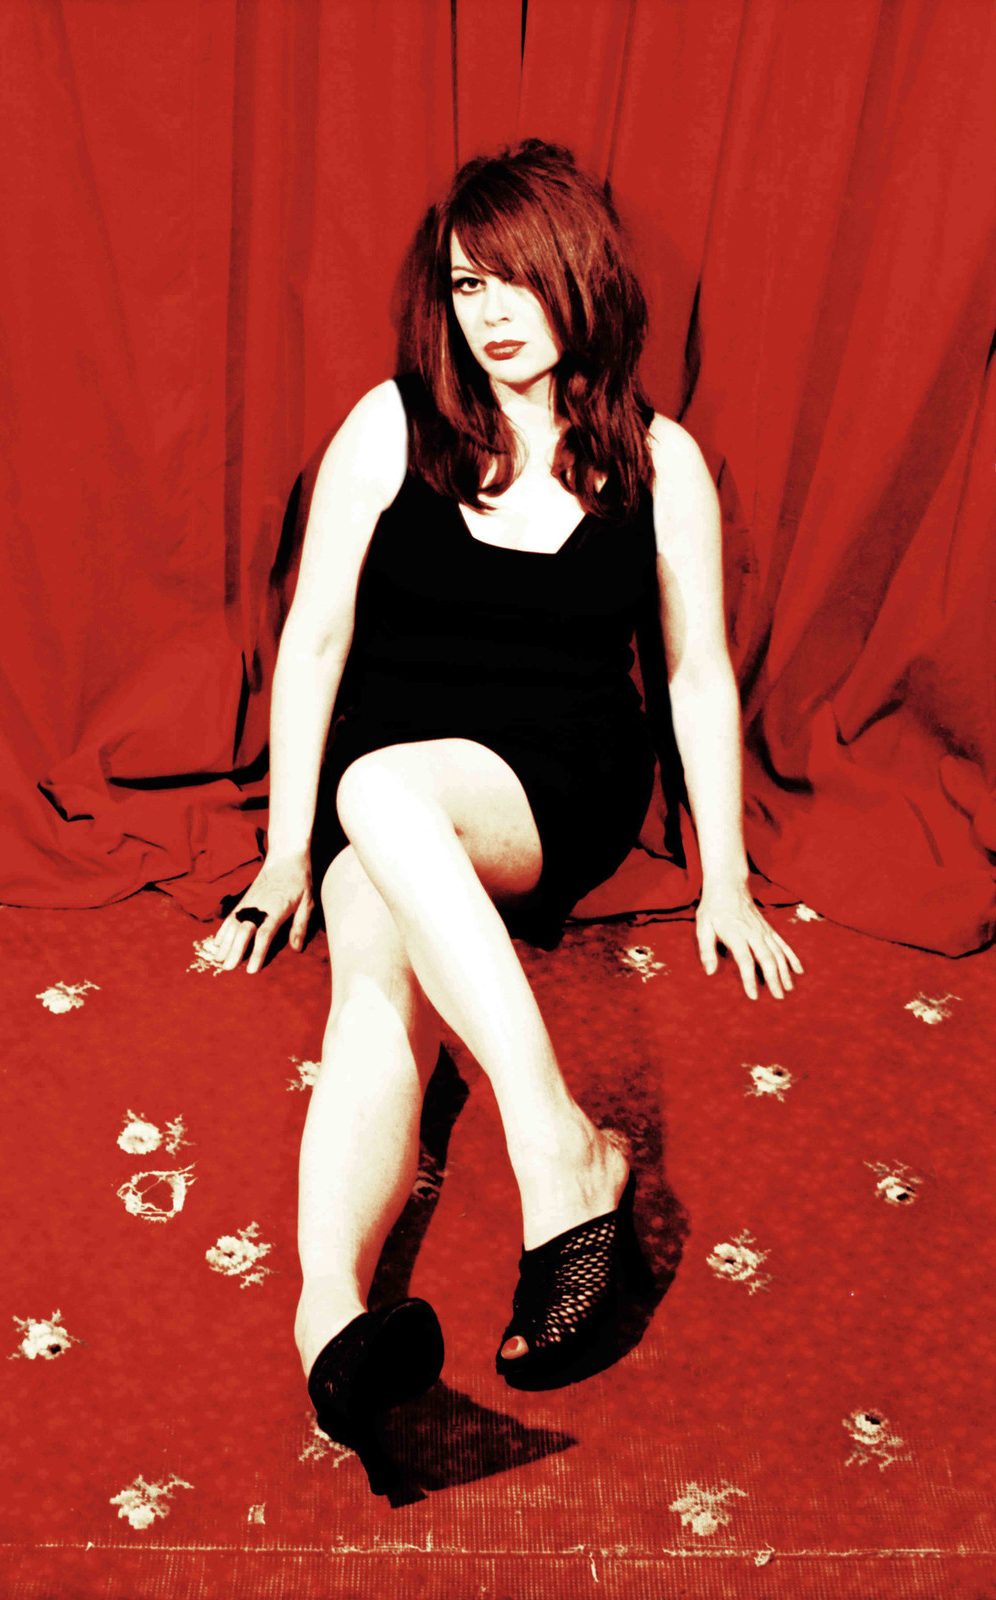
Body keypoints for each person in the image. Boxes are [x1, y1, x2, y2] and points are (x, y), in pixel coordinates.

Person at [210, 140, 802, 1454]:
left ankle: (556, 1149)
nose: (488, 312)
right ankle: (331, 1327)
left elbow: (696, 673)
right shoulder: (390, 425)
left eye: (516, 280)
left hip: (553, 780)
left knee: (383, 795)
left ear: (579, 278)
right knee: (375, 996)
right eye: (467, 284)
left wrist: (725, 879)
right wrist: (285, 854)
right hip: (388, 780)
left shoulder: (658, 461)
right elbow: (316, 636)